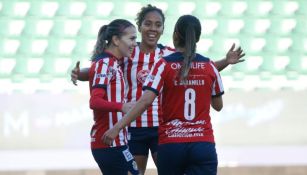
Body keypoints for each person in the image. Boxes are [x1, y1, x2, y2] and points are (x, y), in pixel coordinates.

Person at [71, 4, 245, 175]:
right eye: (147, 24)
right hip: (133, 126)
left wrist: (225, 61)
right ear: (139, 26)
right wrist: (81, 74)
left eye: (158, 24)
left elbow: (198, 70)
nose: (152, 29)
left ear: (163, 29)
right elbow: (103, 70)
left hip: (160, 128)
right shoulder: (127, 51)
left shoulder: (168, 55)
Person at [103, 14, 226, 175]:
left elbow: (146, 101)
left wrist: (117, 127)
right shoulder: (209, 66)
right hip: (202, 143)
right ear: (198, 37)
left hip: (171, 143)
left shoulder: (163, 63)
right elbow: (218, 106)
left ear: (175, 35)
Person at [88, 19, 139, 175]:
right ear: (116, 40)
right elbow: (94, 101)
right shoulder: (105, 64)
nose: (135, 44)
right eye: (131, 39)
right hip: (108, 143)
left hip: (117, 142)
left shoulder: (113, 63)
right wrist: (122, 106)